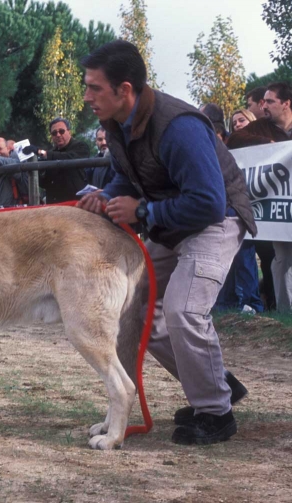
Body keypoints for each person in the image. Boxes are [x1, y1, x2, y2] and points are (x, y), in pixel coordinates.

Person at [77, 40, 256, 445]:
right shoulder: (116, 122)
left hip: (217, 219)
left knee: (183, 311)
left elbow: (209, 202)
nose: (87, 97)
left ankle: (215, 413)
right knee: (135, 311)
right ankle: (216, 383)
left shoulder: (180, 126)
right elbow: (128, 177)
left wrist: (142, 213)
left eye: (94, 88)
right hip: (173, 224)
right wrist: (107, 195)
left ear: (124, 89)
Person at [229, 82, 292, 312]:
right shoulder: (262, 127)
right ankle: (286, 314)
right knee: (282, 259)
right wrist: (271, 146)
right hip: (283, 210)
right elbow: (234, 140)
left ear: (286, 104)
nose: (264, 106)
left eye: (270, 101)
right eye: (263, 101)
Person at [212, 109, 264, 313]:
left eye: (242, 120)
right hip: (226, 210)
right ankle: (227, 303)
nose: (238, 124)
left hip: (242, 210)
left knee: (245, 257)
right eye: (234, 122)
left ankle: (253, 303)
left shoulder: (249, 142)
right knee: (227, 259)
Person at [25, 117, 90, 203]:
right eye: (54, 133)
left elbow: (68, 158)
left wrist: (40, 152)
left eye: (61, 131)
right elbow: (46, 183)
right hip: (55, 205)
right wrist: (32, 168)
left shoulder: (81, 147)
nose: (58, 135)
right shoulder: (51, 153)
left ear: (69, 131)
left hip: (75, 204)